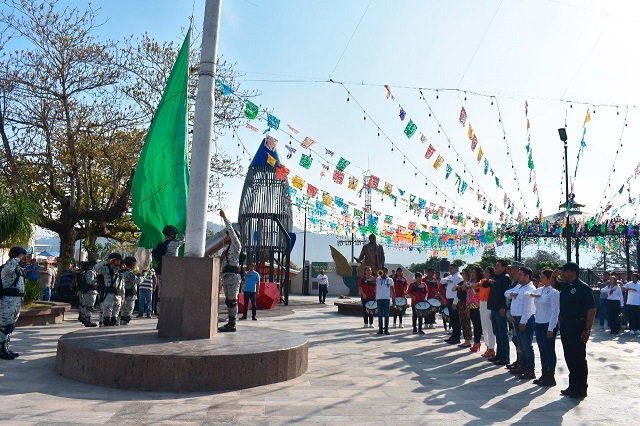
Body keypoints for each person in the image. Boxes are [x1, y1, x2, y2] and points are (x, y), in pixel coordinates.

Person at [555, 262, 596, 399]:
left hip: (578, 325)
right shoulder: (566, 287)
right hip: (566, 325)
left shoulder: (583, 288)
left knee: (578, 358)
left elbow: (591, 310)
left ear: (573, 272)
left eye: (565, 271)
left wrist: (587, 329)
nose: (563, 274)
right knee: (569, 356)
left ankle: (581, 387)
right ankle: (572, 385)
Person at [530, 269, 560, 386]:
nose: (540, 279)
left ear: (549, 278)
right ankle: (544, 373)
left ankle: (550, 375)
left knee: (549, 350)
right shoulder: (540, 290)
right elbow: (528, 294)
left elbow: (555, 311)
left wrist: (551, 328)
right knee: (542, 350)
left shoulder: (553, 292)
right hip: (539, 322)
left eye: (543, 277)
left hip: (548, 323)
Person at [152, 224, 186, 318]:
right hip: (171, 273)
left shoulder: (160, 245)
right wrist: (187, 226)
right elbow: (183, 239)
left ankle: (160, 317)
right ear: (172, 234)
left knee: (161, 296)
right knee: (172, 296)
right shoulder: (172, 244)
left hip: (162, 273)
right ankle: (170, 317)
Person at [1, 246, 27, 360]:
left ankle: (5, 347)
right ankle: (1, 349)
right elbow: (7, 269)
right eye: (22, 256)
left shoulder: (18, 268)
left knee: (10, 326)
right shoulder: (8, 267)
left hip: (16, 301)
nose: (24, 259)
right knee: (4, 325)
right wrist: (16, 258)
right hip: (7, 301)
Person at [218, 210, 242, 332]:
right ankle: (229, 322)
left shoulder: (236, 245)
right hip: (226, 275)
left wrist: (225, 218)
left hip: (233, 276)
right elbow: (221, 263)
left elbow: (232, 232)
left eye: (228, 235)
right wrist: (220, 259)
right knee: (228, 300)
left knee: (232, 300)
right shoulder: (226, 249)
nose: (227, 236)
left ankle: (233, 323)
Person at [511, 267, 537, 380]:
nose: (518, 276)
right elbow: (506, 293)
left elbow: (529, 308)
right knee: (521, 345)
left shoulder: (530, 288)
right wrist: (512, 293)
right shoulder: (518, 286)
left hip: (525, 320)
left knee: (527, 346)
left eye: (520, 275)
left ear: (527, 276)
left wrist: (523, 321)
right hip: (517, 319)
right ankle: (523, 366)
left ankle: (530, 370)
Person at [484, 259, 511, 365]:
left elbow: (506, 295)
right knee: (497, 333)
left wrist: (503, 307)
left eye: (498, 266)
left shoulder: (505, 278)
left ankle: (505, 357)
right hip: (494, 309)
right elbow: (485, 285)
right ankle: (499, 355)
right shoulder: (495, 277)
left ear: (504, 267)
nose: (496, 268)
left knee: (502, 333)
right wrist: (488, 280)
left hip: (500, 310)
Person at [94, 253, 123, 327]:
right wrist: (107, 261)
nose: (119, 262)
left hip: (117, 295)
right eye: (117, 260)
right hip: (108, 295)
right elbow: (96, 267)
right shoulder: (106, 269)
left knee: (114, 319)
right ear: (113, 260)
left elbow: (122, 285)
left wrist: (123, 297)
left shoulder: (120, 271)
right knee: (107, 318)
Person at [441, 264, 463, 344]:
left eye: (451, 268)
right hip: (449, 299)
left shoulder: (458, 277)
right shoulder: (451, 277)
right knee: (452, 320)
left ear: (456, 269)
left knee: (456, 319)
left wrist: (455, 302)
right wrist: (447, 280)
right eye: (449, 268)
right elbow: (441, 281)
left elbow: (458, 291)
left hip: (454, 300)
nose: (450, 270)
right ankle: (453, 336)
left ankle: (457, 337)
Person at [479, 267, 496, 358]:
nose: (485, 273)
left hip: (488, 303)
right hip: (482, 302)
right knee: (484, 326)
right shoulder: (484, 281)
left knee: (490, 327)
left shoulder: (492, 282)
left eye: (487, 272)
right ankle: (488, 346)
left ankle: (492, 348)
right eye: (484, 272)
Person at [466, 267, 483, 353]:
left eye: (474, 272)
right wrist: (467, 306)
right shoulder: (470, 282)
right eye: (472, 272)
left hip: (478, 306)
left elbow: (478, 295)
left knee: (478, 326)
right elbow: (468, 295)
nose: (472, 274)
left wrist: (472, 288)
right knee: (474, 325)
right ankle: (476, 343)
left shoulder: (479, 283)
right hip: (471, 305)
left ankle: (477, 343)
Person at [454, 268, 472, 348]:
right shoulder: (461, 283)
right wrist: (457, 287)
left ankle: (468, 340)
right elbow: (453, 289)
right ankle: (465, 339)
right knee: (463, 322)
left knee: (466, 322)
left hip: (466, 303)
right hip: (460, 302)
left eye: (464, 273)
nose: (462, 275)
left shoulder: (469, 283)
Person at [77, 260, 98, 327]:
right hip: (90, 292)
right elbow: (90, 281)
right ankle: (88, 320)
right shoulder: (90, 272)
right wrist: (98, 280)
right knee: (89, 307)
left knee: (87, 306)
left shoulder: (88, 272)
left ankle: (86, 319)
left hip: (89, 291)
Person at [376, 267, 394, 335]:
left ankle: (386, 329)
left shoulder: (390, 280)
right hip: (379, 299)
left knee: (386, 314)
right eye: (381, 271)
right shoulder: (378, 279)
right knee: (380, 314)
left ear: (386, 272)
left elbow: (392, 289)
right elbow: (372, 281)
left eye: (384, 271)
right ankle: (380, 329)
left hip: (386, 299)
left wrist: (393, 298)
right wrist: (378, 274)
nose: (383, 273)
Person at [119, 256, 138, 325]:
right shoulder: (130, 273)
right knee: (127, 314)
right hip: (129, 296)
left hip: (123, 295)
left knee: (122, 312)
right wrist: (144, 275)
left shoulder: (121, 272)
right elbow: (138, 281)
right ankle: (123, 325)